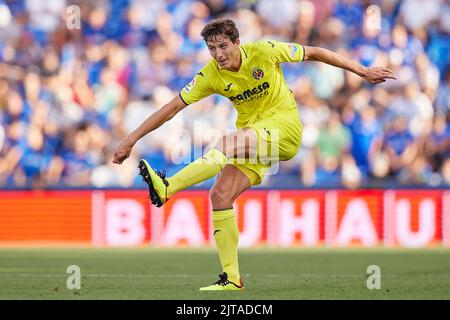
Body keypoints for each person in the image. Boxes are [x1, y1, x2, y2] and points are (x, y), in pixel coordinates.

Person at [112, 18, 396, 291]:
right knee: (220, 194)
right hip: (256, 139)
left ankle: (168, 187)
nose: (218, 54)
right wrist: (130, 139)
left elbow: (314, 52)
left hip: (285, 129)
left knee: (228, 143)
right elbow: (172, 108)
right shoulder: (210, 74)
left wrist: (362, 70)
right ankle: (232, 278)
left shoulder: (264, 50)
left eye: (223, 46)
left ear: (237, 42)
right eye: (212, 49)